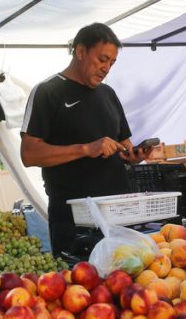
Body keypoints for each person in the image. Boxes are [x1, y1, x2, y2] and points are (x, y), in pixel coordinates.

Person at [20, 23, 152, 257]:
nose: (106, 68)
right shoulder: (47, 92)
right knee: (78, 287)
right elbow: (29, 154)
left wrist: (134, 157)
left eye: (111, 63)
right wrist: (85, 149)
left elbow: (124, 144)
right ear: (80, 52)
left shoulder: (108, 94)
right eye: (102, 59)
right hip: (73, 221)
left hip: (116, 215)